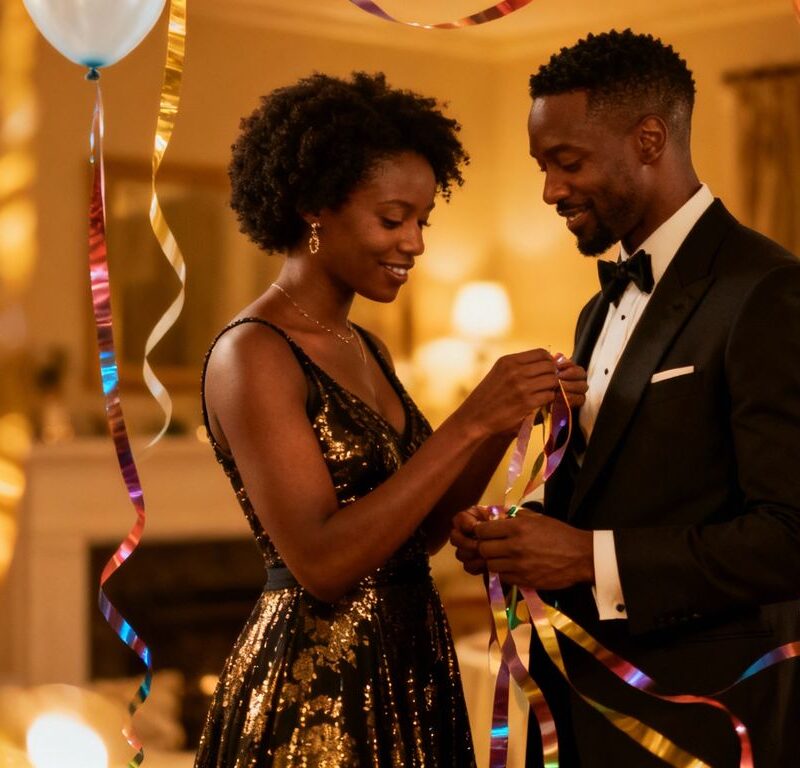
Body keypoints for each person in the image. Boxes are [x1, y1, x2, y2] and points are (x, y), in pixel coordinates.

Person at [194, 71, 587, 766]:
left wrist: (507, 416)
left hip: (409, 670)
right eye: (392, 218)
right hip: (316, 701)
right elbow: (321, 564)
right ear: (316, 207)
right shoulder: (252, 353)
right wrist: (469, 420)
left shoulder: (362, 346)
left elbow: (421, 533)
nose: (415, 243)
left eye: (422, 220)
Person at [451, 29, 800, 768]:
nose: (549, 190)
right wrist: (521, 535)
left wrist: (585, 558)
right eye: (543, 167)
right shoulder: (595, 309)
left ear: (648, 139)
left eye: (567, 162)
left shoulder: (768, 291)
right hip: (584, 713)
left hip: (705, 721)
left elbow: (788, 535)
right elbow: (616, 496)